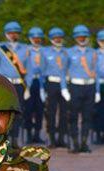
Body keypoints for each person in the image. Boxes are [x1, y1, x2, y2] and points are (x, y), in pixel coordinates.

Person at [0, 21, 28, 147]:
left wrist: (27, 86)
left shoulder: (25, 49)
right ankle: (4, 137)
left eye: (15, 33)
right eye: (10, 33)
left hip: (19, 85)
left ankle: (15, 138)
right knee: (3, 112)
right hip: (4, 85)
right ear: (6, 34)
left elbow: (29, 69)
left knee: (17, 112)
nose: (13, 35)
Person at [66, 24, 100, 153]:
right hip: (75, 86)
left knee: (87, 116)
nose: (82, 38)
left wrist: (97, 90)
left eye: (84, 36)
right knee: (73, 116)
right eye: (79, 36)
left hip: (90, 87)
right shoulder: (69, 52)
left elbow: (96, 72)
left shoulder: (93, 52)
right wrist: (64, 88)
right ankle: (75, 143)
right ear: (75, 38)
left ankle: (84, 143)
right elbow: (63, 71)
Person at [42, 27, 70, 148]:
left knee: (64, 112)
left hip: (65, 84)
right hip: (51, 83)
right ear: (51, 39)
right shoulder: (46, 53)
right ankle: (52, 138)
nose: (58, 39)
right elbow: (42, 70)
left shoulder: (67, 53)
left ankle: (62, 138)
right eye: (55, 37)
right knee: (51, 112)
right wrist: (43, 88)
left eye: (60, 37)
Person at [24, 27, 45, 144]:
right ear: (30, 39)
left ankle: (37, 134)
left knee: (39, 110)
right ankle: (28, 134)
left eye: (38, 38)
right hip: (29, 82)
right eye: (34, 38)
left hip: (40, 82)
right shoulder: (25, 51)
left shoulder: (45, 51)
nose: (36, 40)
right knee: (28, 109)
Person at [95, 30, 104, 144]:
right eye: (102, 40)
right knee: (98, 110)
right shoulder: (94, 54)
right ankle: (98, 133)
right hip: (99, 84)